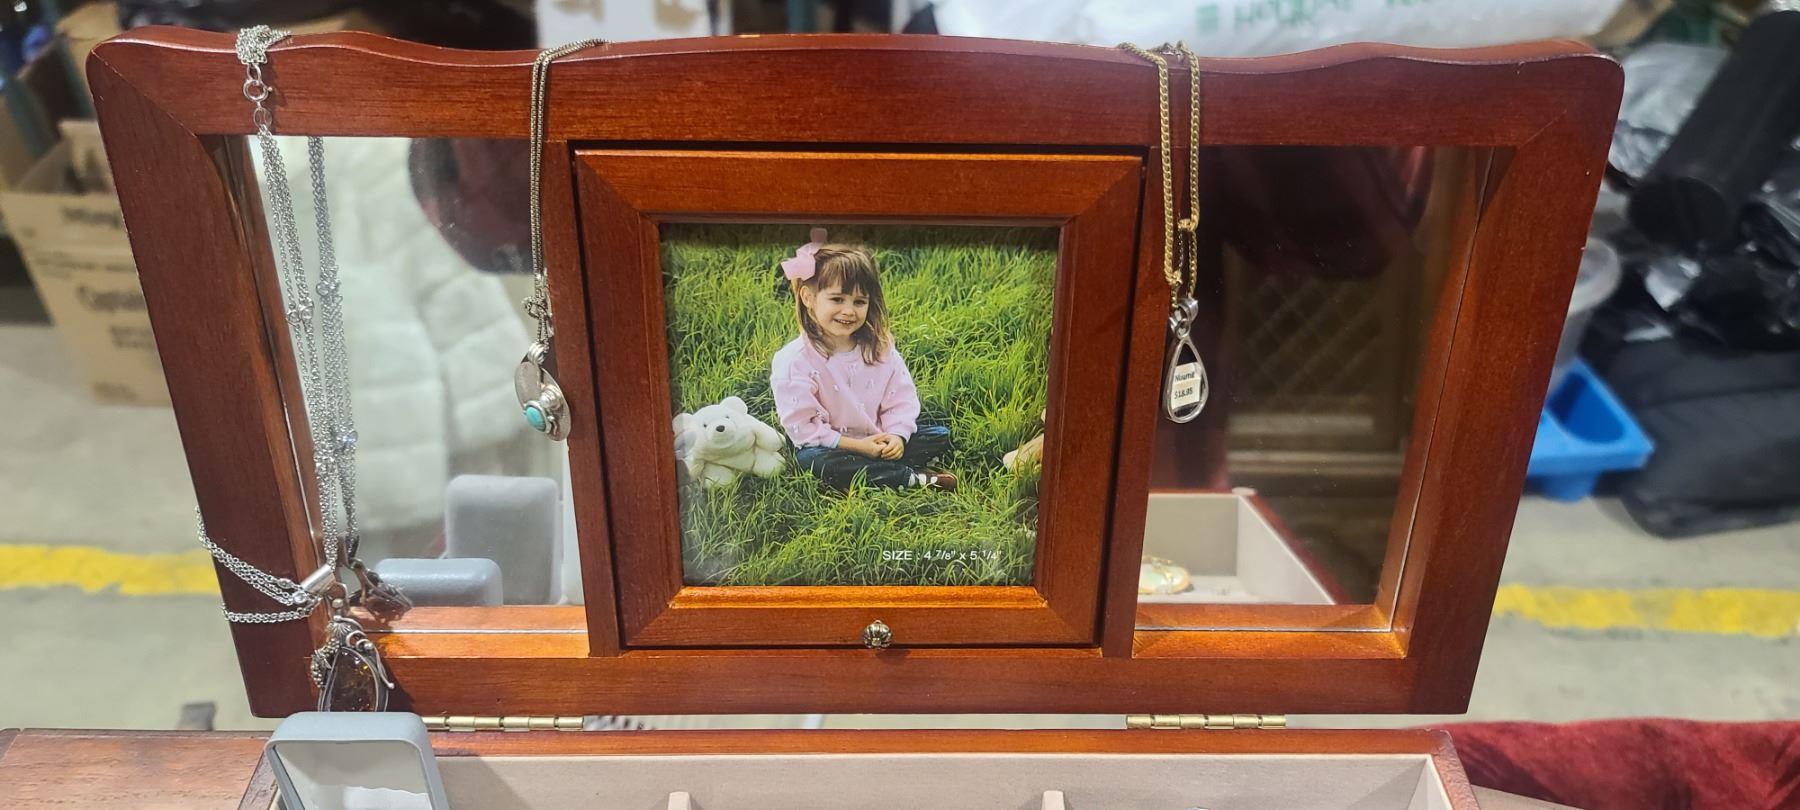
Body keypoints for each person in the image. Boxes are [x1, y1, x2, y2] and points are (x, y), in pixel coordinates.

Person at [770, 230, 955, 491]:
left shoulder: (878, 348)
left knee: (939, 436)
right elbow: (803, 428)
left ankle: (877, 470)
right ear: (808, 297)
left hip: (878, 437)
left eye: (859, 301)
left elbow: (901, 399)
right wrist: (859, 446)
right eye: (837, 299)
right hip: (833, 446)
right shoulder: (794, 361)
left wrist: (897, 436)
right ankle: (910, 478)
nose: (849, 311)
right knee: (811, 460)